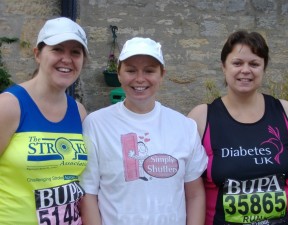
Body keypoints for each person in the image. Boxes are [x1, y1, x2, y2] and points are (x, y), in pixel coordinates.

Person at [79, 37, 208, 225]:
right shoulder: (96, 125)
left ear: (162, 74)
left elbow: (195, 194)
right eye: (131, 70)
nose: (140, 79)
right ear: (119, 73)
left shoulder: (184, 127)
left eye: (149, 70)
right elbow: (88, 194)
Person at [188, 30, 288, 225]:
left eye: (254, 64)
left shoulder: (286, 112)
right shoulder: (201, 118)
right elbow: (187, 189)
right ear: (223, 67)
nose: (246, 70)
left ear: (264, 68)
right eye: (237, 63)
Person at [0, 17, 89, 225]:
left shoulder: (80, 112)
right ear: (38, 54)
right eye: (57, 49)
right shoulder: (9, 106)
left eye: (75, 52)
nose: (67, 59)